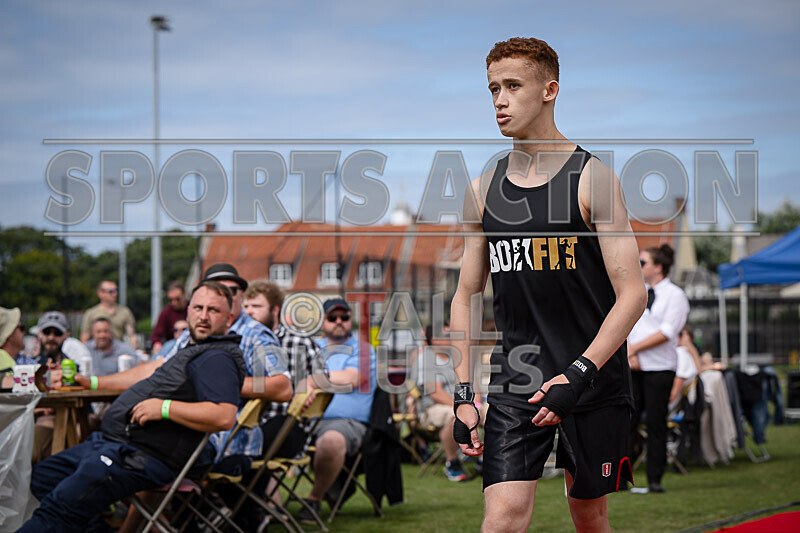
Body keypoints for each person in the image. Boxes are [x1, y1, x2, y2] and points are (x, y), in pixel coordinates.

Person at [450, 37, 647, 532]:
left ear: (549, 90)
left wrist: (578, 374)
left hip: (593, 380)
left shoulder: (593, 180)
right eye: (492, 88)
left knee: (589, 517)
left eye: (513, 86)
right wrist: (463, 393)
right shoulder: (482, 191)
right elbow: (466, 295)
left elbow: (633, 295)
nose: (499, 99)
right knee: (502, 518)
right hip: (518, 380)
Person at [18, 281, 246, 532]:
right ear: (189, 310)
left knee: (59, 507)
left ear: (229, 318)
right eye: (199, 308)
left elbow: (223, 415)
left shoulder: (217, 357)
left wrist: (164, 407)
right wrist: (93, 382)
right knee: (44, 476)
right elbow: (149, 369)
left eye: (213, 310)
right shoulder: (192, 347)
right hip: (115, 444)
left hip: (141, 456)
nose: (203, 316)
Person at [298, 298, 377, 523]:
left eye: (345, 317)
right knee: (269, 433)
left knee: (331, 440)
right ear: (322, 321)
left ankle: (314, 499)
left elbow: (351, 379)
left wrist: (312, 381)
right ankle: (266, 507)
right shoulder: (310, 347)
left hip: (346, 423)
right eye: (333, 317)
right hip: (304, 419)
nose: (339, 321)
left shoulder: (363, 349)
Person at [627, 244, 690, 493]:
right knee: (627, 422)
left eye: (643, 262)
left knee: (655, 424)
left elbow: (667, 332)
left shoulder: (675, 295)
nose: (639, 266)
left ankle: (654, 479)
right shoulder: (636, 291)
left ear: (658, 267)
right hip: (634, 366)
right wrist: (628, 352)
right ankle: (621, 477)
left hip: (660, 367)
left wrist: (633, 349)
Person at [411, 323, 468, 481]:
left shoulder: (456, 357)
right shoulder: (425, 359)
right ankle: (452, 463)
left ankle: (487, 460)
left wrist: (475, 404)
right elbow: (435, 392)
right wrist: (462, 407)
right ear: (434, 340)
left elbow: (472, 384)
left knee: (492, 410)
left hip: (460, 405)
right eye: (446, 335)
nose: (451, 338)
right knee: (455, 417)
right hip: (432, 410)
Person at [80, 280, 138, 348]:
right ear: (100, 293)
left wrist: (135, 351)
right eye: (111, 291)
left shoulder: (125, 312)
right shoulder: (91, 313)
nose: (115, 294)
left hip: (118, 351)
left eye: (116, 290)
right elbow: (84, 338)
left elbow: (131, 336)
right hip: (98, 351)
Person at [150, 281, 188, 354]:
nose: (174, 302)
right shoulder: (166, 312)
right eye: (171, 300)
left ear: (184, 295)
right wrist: (157, 344)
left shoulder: (192, 308)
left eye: (177, 299)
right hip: (172, 347)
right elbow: (156, 335)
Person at [0, 306, 24, 389]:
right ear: (9, 334)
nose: (24, 332)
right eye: (21, 328)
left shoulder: (22, 359)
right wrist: (42, 379)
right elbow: (4, 382)